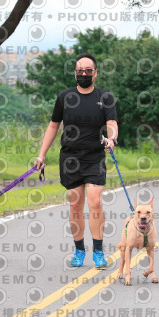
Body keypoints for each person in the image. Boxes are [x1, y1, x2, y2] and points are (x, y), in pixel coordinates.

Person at [34, 53, 118, 269]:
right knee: (75, 204)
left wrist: (111, 138)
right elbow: (53, 125)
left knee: (95, 201)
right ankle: (79, 250)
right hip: (70, 158)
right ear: (75, 74)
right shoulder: (65, 97)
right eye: (80, 71)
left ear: (95, 73)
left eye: (88, 71)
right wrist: (41, 154)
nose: (84, 74)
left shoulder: (105, 97)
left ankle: (98, 251)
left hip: (94, 157)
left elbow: (111, 122)